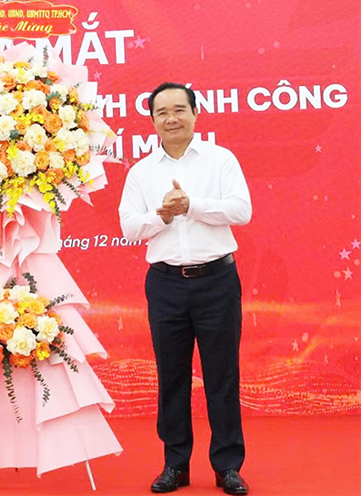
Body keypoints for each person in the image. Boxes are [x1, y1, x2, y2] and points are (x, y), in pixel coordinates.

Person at [119, 82, 252, 496]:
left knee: (222, 376)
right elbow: (129, 227)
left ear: (195, 113)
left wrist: (191, 206)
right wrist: (162, 215)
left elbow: (241, 210)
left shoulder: (220, 159)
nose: (171, 118)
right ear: (152, 120)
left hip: (217, 281)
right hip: (165, 285)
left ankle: (227, 467)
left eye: (180, 109)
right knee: (171, 377)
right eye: (162, 112)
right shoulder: (141, 172)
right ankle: (175, 465)